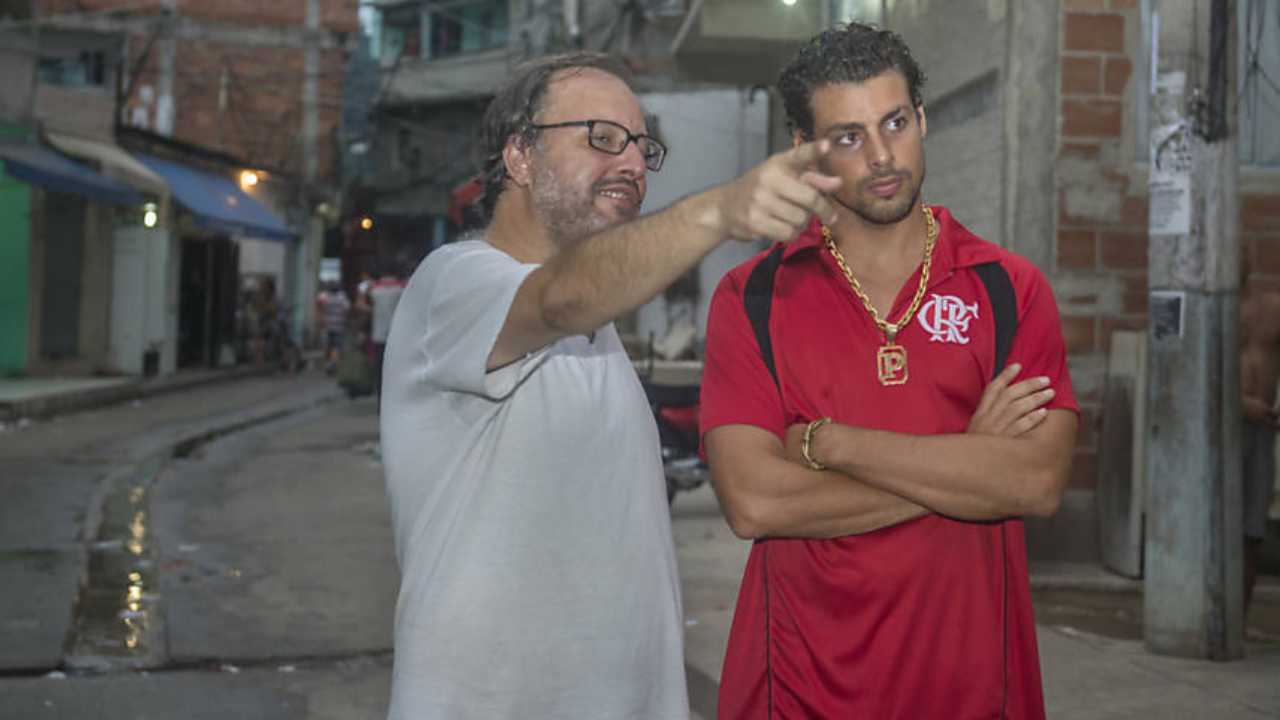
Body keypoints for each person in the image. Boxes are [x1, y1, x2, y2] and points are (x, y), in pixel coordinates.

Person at [378, 51, 841, 720]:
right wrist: (721, 209)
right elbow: (559, 298)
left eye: (642, 146)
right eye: (601, 138)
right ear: (520, 156)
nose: (630, 163)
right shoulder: (453, 285)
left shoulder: (597, 334)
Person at [699, 23, 1079, 719]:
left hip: (972, 688)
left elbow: (1036, 481)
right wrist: (970, 466)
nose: (881, 156)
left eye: (895, 122)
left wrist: (829, 445)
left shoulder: (1007, 289)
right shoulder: (752, 299)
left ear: (922, 118)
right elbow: (756, 502)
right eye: (847, 137)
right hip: (798, 689)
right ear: (803, 150)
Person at [1240, 258, 1280, 616]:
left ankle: (1240, 618)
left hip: (1262, 428)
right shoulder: (1201, 310)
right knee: (1217, 525)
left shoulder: (1270, 310)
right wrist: (1237, 404)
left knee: (1251, 528)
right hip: (1215, 431)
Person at [367, 266, 405, 402]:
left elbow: (362, 305)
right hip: (397, 336)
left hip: (378, 335)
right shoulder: (401, 288)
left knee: (379, 369)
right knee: (395, 369)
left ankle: (380, 399)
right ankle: (393, 399)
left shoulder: (374, 290)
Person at [314, 281, 351, 373]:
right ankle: (333, 364)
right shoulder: (342, 297)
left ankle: (330, 363)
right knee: (336, 346)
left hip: (327, 325)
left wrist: (319, 319)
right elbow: (347, 309)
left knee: (328, 345)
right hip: (339, 325)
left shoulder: (324, 296)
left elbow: (318, 306)